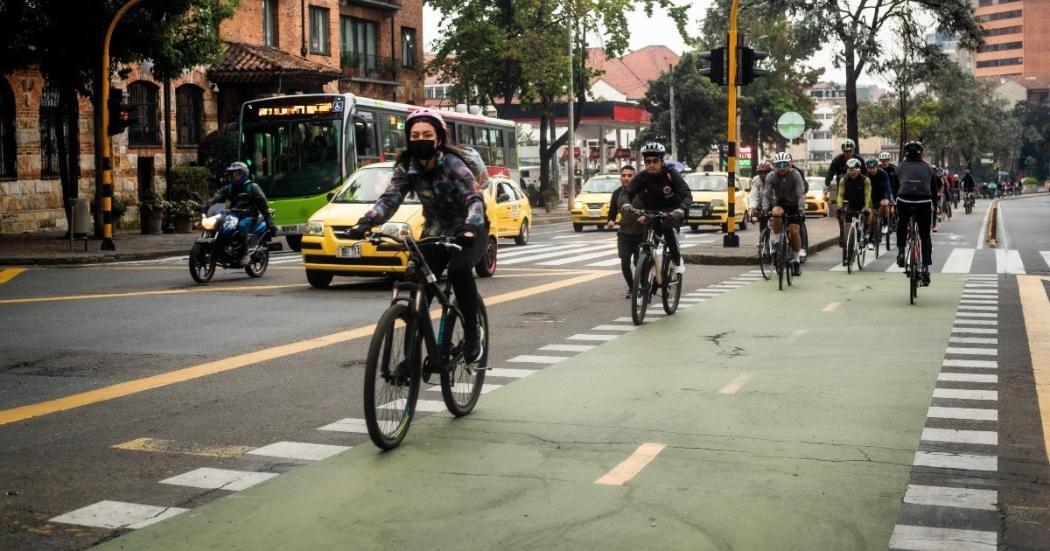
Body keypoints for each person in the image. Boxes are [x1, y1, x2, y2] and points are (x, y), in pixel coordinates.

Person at [348, 108, 488, 362]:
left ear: (439, 138)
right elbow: (390, 199)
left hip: (469, 228)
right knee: (417, 284)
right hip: (435, 230)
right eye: (414, 135)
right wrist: (367, 221)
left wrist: (471, 226)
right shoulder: (407, 168)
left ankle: (471, 334)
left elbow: (475, 198)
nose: (420, 139)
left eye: (426, 134)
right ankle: (411, 356)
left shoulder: (453, 165)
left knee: (458, 272)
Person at [620, 142, 691, 275]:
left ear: (661, 161)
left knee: (666, 227)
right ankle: (646, 286)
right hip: (652, 213)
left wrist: (681, 209)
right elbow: (627, 193)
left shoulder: (671, 174)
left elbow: (687, 195)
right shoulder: (642, 177)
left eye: (655, 161)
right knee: (646, 247)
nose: (651, 164)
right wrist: (625, 203)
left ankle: (677, 259)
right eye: (648, 161)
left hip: (672, 212)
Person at [208, 161, 275, 266]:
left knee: (242, 226)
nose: (234, 176)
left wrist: (270, 223)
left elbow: (263, 205)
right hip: (234, 214)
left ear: (243, 175)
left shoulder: (253, 187)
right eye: (232, 174)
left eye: (237, 173)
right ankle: (222, 250)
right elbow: (217, 197)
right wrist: (206, 206)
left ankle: (245, 254)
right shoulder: (230, 188)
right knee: (221, 226)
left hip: (249, 215)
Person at [894, 141, 937, 286]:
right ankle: (925, 268)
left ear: (906, 153)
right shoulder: (929, 168)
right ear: (921, 154)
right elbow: (934, 192)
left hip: (904, 200)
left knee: (902, 222)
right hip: (924, 202)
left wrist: (895, 203)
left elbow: (895, 189)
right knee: (925, 235)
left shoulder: (899, 168)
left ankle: (901, 252)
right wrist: (935, 207)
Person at [762, 152, 806, 277]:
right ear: (775, 166)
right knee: (776, 213)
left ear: (790, 164)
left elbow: (801, 194)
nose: (781, 168)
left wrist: (802, 210)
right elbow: (766, 193)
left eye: (784, 165)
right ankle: (776, 244)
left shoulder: (796, 175)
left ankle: (796, 260)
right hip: (780, 203)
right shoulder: (771, 176)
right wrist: (765, 209)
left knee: (794, 231)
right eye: (778, 165)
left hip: (794, 205)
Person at [606, 165, 642, 298]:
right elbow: (612, 211)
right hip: (624, 234)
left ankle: (643, 286)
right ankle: (632, 288)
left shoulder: (642, 192)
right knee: (625, 261)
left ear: (635, 177)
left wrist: (645, 217)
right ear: (620, 177)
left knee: (639, 262)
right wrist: (611, 220)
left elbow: (651, 207)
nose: (626, 178)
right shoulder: (617, 193)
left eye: (629, 175)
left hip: (641, 234)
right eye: (624, 175)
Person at [825, 139, 865, 246]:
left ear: (853, 150)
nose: (848, 153)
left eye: (850, 151)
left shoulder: (859, 160)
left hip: (858, 188)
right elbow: (831, 171)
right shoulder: (837, 160)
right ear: (843, 151)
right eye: (845, 151)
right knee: (840, 211)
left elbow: (866, 175)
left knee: (862, 211)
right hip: (843, 189)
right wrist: (827, 181)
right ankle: (843, 232)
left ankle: (862, 230)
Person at [836, 158, 872, 264]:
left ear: (859, 170)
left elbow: (867, 194)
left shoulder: (865, 180)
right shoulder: (844, 180)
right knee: (847, 227)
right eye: (849, 170)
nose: (852, 172)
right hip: (851, 205)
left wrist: (866, 207)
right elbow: (840, 194)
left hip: (863, 204)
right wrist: (839, 206)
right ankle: (848, 253)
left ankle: (866, 233)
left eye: (854, 170)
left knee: (867, 215)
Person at [864, 158, 893, 245]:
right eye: (869, 168)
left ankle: (884, 223)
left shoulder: (883, 174)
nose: (871, 170)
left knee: (885, 205)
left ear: (877, 167)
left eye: (873, 168)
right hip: (871, 196)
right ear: (867, 168)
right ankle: (870, 236)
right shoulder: (865, 175)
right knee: (872, 218)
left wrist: (890, 199)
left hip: (882, 194)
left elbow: (887, 187)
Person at [749, 161, 773, 231]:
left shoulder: (774, 178)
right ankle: (763, 240)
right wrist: (751, 208)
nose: (763, 175)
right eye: (760, 173)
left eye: (765, 172)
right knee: (763, 224)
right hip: (761, 205)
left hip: (774, 204)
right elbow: (753, 195)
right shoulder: (756, 180)